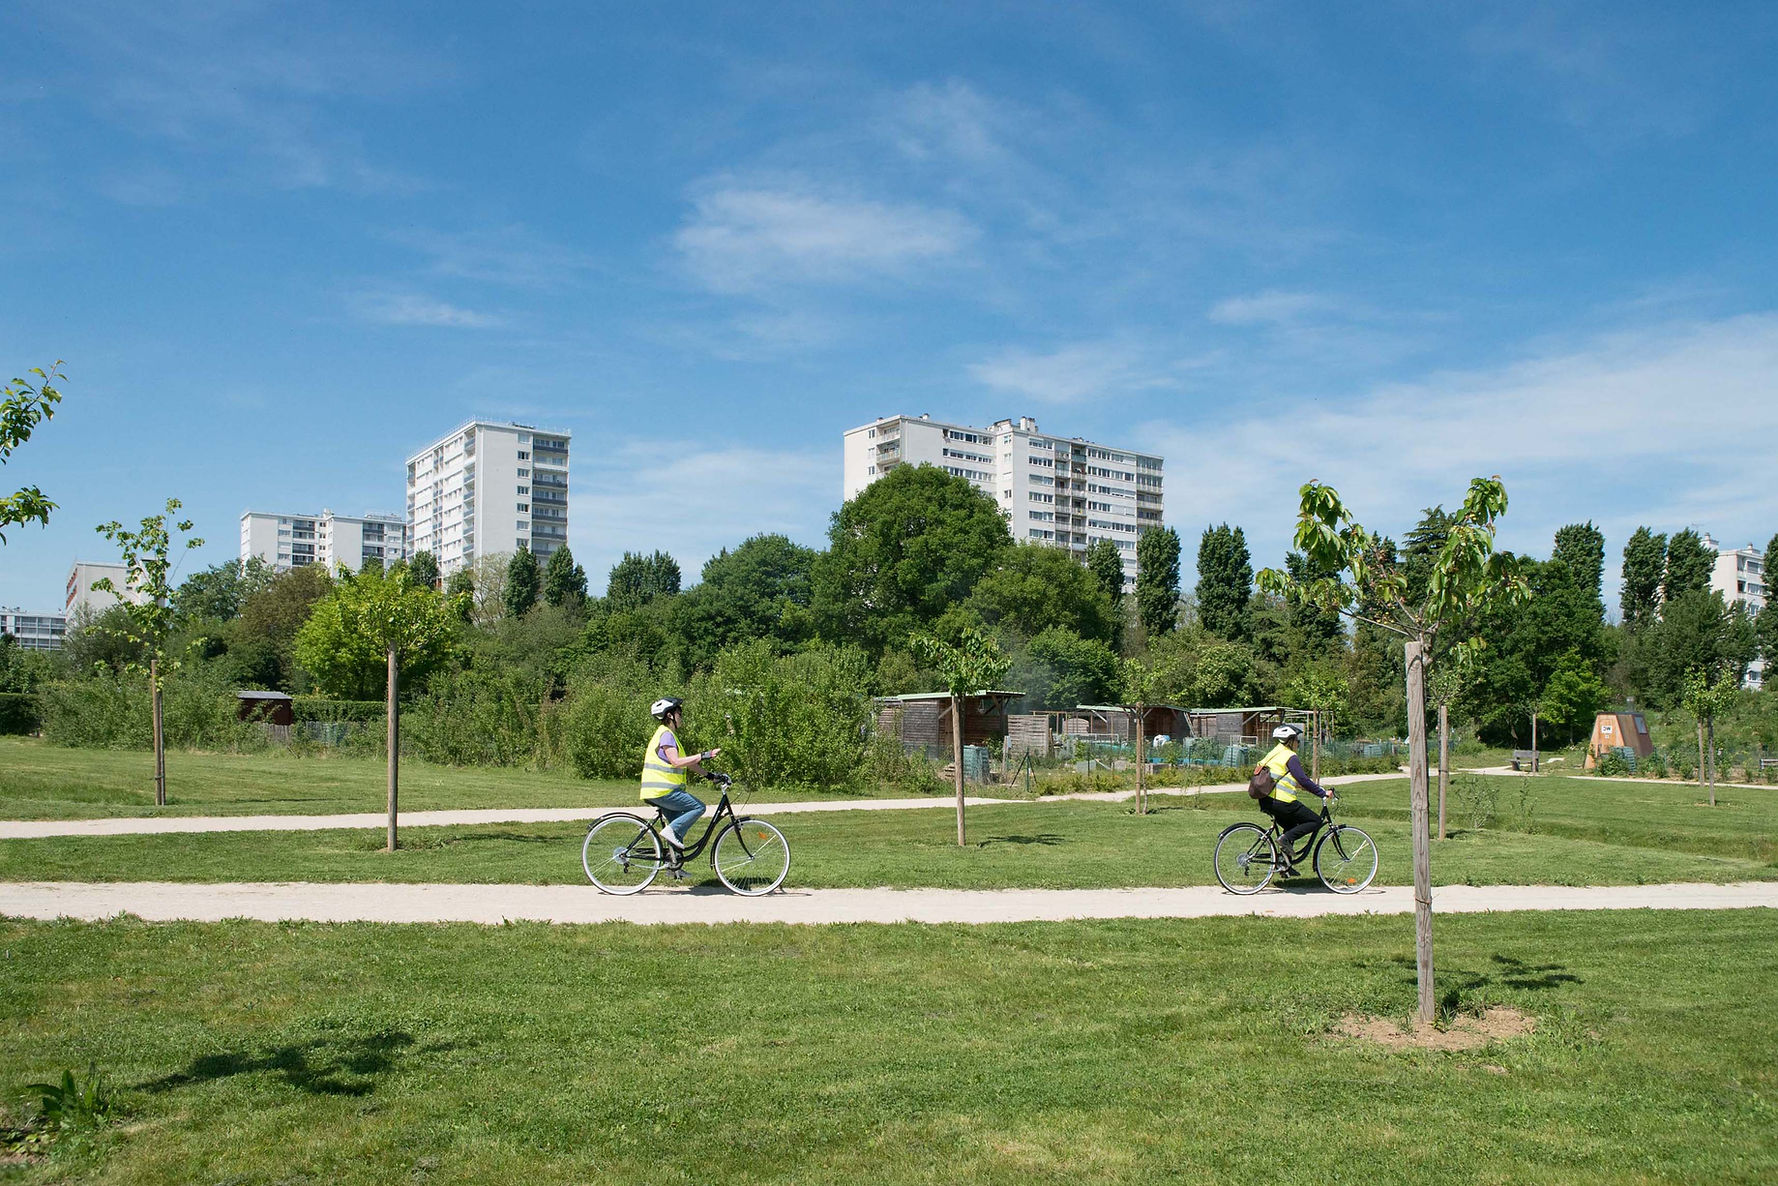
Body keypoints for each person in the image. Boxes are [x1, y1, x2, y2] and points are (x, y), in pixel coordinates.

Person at [640, 697, 720, 862]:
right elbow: (676, 761)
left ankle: (674, 867)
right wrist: (704, 755)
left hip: (659, 791)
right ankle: (670, 832)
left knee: (677, 824)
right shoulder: (666, 735)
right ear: (670, 716)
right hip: (663, 790)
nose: (681, 717)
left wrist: (710, 776)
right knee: (698, 807)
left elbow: (688, 764)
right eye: (679, 713)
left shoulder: (669, 735)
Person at [1254, 723, 1332, 873]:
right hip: (1282, 801)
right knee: (1315, 821)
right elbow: (1303, 779)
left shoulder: (1274, 753)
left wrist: (1299, 785)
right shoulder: (1290, 756)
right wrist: (1322, 793)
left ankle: (1285, 865)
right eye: (1297, 740)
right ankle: (1284, 841)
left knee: (1291, 827)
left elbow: (1279, 777)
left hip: (1266, 799)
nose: (1298, 743)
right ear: (1290, 740)